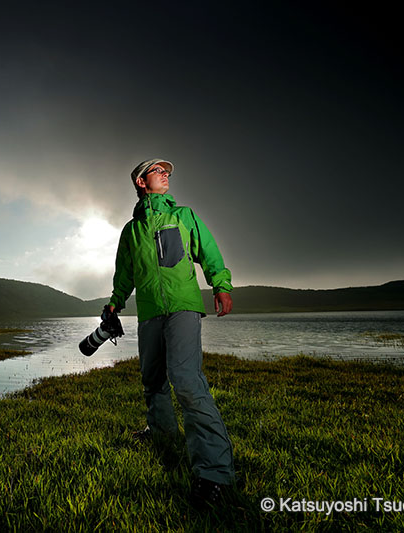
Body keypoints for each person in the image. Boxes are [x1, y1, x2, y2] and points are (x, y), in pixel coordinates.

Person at [107, 158, 235, 508]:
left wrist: (220, 284)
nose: (165, 175)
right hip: (149, 313)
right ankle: (162, 433)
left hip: (182, 307)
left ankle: (213, 473)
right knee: (152, 380)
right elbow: (124, 275)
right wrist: (115, 303)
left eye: (166, 172)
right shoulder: (130, 231)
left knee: (186, 380)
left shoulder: (184, 215)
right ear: (141, 182)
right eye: (158, 171)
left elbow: (208, 250)